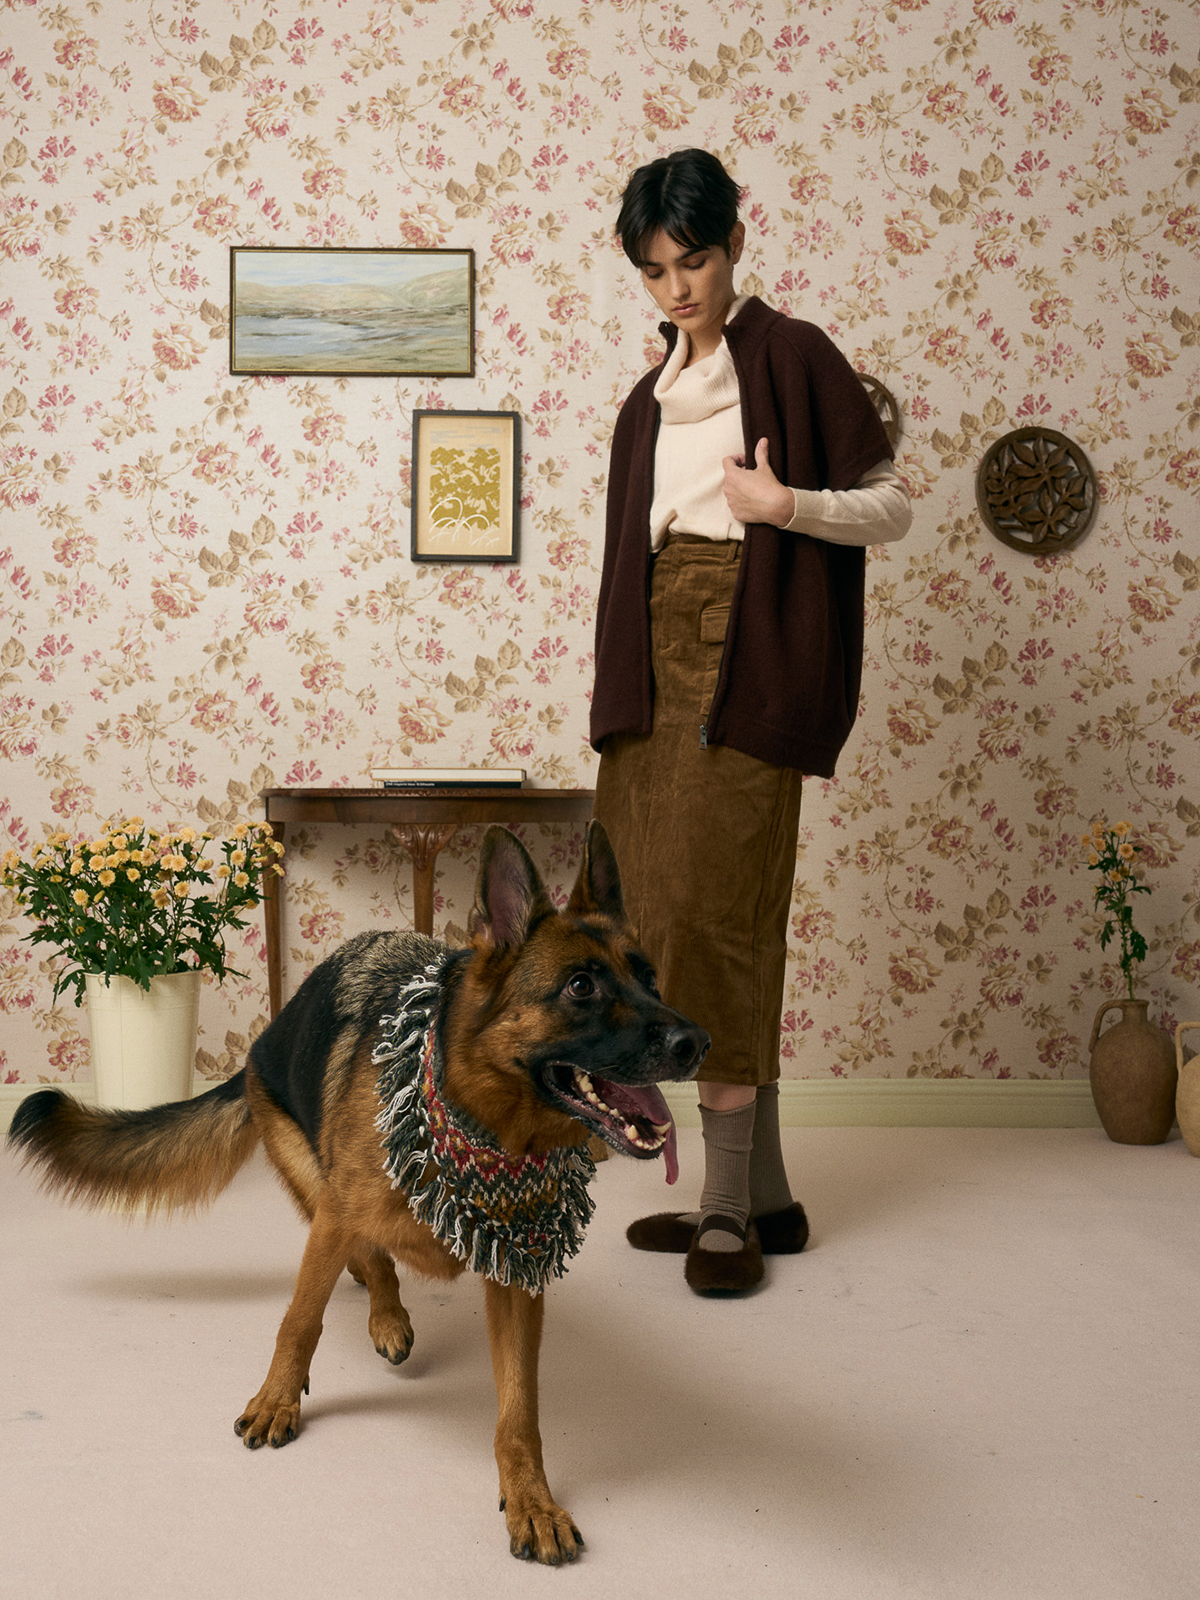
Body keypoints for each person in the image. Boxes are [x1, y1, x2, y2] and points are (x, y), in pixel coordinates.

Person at [590, 149, 911, 1295]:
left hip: (750, 662)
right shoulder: (648, 400)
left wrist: (787, 505)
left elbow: (892, 504)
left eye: (695, 260)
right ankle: (763, 1197)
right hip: (652, 677)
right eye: (655, 271)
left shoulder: (793, 354)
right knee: (648, 920)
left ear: (736, 242)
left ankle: (724, 1209)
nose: (678, 288)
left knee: (722, 919)